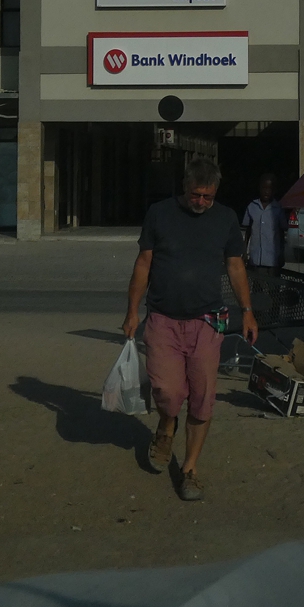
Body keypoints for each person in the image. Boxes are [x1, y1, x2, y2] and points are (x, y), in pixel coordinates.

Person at [122, 159, 258, 503]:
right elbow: (143, 263)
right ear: (185, 189)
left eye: (208, 196)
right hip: (163, 318)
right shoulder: (159, 214)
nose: (201, 202)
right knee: (167, 391)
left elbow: (235, 267)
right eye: (196, 195)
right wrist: (131, 312)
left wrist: (248, 312)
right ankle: (167, 423)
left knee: (203, 398)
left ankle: (190, 470)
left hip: (208, 321)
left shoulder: (226, 218)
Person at [241, 173, 288, 325]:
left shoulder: (278, 208)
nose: (266, 191)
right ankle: (258, 316)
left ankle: (274, 316)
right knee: (257, 289)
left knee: (274, 289)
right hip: (256, 257)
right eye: (264, 188)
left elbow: (281, 232)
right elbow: (247, 230)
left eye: (270, 188)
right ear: (259, 189)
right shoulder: (252, 207)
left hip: (272, 257)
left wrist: (281, 253)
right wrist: (244, 251)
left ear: (274, 190)